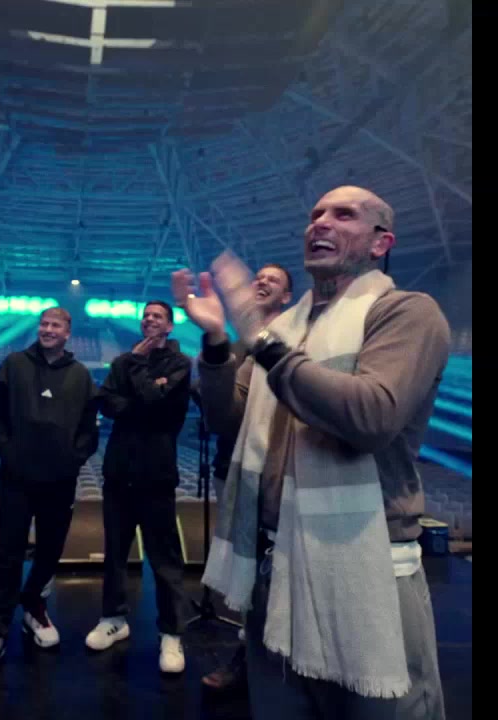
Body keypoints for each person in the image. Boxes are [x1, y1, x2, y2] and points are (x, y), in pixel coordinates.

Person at [174, 185, 449, 720]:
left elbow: (370, 417)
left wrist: (261, 341)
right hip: (275, 566)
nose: (319, 222)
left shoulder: (406, 313)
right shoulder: (283, 329)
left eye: (344, 215)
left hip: (369, 565)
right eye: (316, 214)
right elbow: (228, 420)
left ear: (380, 243)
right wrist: (216, 341)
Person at [0, 307, 99, 680]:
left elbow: (90, 427)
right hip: (16, 478)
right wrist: (10, 453)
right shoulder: (13, 364)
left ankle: (35, 606)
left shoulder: (81, 375)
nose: (48, 329)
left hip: (60, 481)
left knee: (51, 548)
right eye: (44, 324)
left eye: (56, 325)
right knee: (6, 550)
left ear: (68, 332)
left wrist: (72, 460)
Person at [195, 263, 292, 694]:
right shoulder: (233, 347)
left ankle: (288, 659)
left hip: (290, 476)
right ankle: (248, 654)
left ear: (287, 297)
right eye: (258, 277)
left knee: (287, 574)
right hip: (235, 470)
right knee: (249, 570)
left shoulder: (302, 337)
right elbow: (221, 416)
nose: (262, 281)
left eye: (274, 279)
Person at [84, 300, 192, 674]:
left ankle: (172, 632)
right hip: (119, 473)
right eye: (145, 316)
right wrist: (142, 397)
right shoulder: (123, 362)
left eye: (157, 316)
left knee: (164, 559)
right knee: (115, 553)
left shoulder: (179, 364)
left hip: (157, 475)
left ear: (170, 326)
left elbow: (156, 403)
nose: (149, 319)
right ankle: (113, 618)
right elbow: (106, 404)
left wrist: (138, 374)